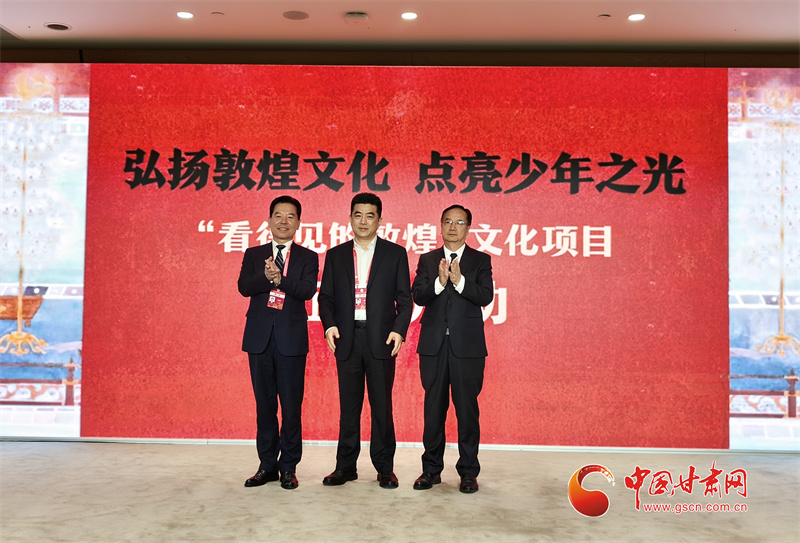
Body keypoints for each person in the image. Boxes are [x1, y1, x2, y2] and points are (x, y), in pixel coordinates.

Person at [318, 192, 413, 489]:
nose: (363, 221)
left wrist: (398, 329)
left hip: (381, 340)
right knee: (349, 408)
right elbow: (326, 299)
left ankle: (385, 468)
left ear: (380, 220)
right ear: (349, 218)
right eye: (357, 215)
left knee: (381, 407)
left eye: (370, 215)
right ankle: (345, 467)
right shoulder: (336, 255)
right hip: (347, 339)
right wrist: (330, 326)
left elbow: (405, 300)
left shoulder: (395, 254)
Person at [237, 195, 319, 490]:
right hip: (259, 340)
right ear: (269, 220)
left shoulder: (308, 257)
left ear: (298, 223)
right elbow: (244, 287)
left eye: (290, 216)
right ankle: (267, 465)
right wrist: (267, 276)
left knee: (291, 407)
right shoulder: (254, 253)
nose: (284, 221)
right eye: (278, 216)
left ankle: (289, 467)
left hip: (291, 341)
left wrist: (280, 280)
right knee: (265, 406)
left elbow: (307, 291)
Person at [411, 204, 493, 494]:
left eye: (459, 222)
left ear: (468, 228)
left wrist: (459, 281)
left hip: (467, 348)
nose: (453, 227)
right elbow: (418, 296)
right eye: (448, 221)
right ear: (440, 225)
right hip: (433, 347)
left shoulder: (480, 260)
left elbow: (485, 295)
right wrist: (439, 281)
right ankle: (431, 470)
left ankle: (468, 472)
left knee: (467, 411)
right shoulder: (428, 259)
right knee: (433, 410)